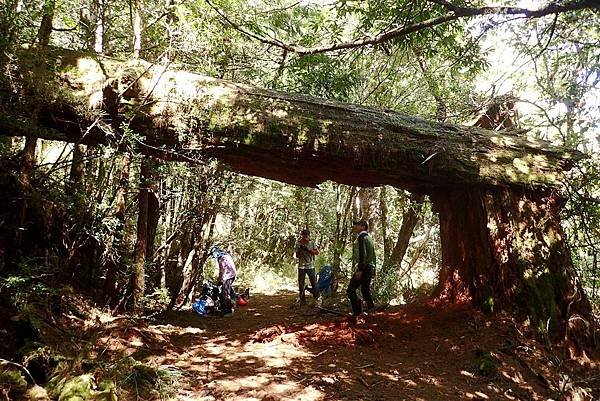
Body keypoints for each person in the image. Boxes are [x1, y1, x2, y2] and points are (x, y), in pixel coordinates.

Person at [347, 220, 376, 316]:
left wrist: (360, 270)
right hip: (370, 267)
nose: (355, 226)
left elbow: (363, 254)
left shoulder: (362, 237)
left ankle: (357, 312)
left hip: (365, 267)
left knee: (351, 289)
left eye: (358, 225)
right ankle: (371, 309)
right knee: (365, 289)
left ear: (363, 227)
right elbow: (373, 255)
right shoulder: (369, 237)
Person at [295, 228, 319, 305]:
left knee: (313, 283)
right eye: (304, 236)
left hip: (310, 266)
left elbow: (317, 252)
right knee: (301, 284)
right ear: (302, 236)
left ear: (308, 236)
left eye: (307, 236)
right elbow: (297, 256)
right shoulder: (298, 243)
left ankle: (316, 298)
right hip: (301, 266)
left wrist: (308, 250)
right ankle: (302, 301)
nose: (305, 238)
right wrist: (299, 251)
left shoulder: (312, 243)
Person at [211, 246, 237, 317]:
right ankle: (229, 305)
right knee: (226, 291)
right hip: (232, 275)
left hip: (228, 276)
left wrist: (218, 280)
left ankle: (228, 311)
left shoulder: (221, 258)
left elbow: (222, 271)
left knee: (225, 293)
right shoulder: (226, 255)